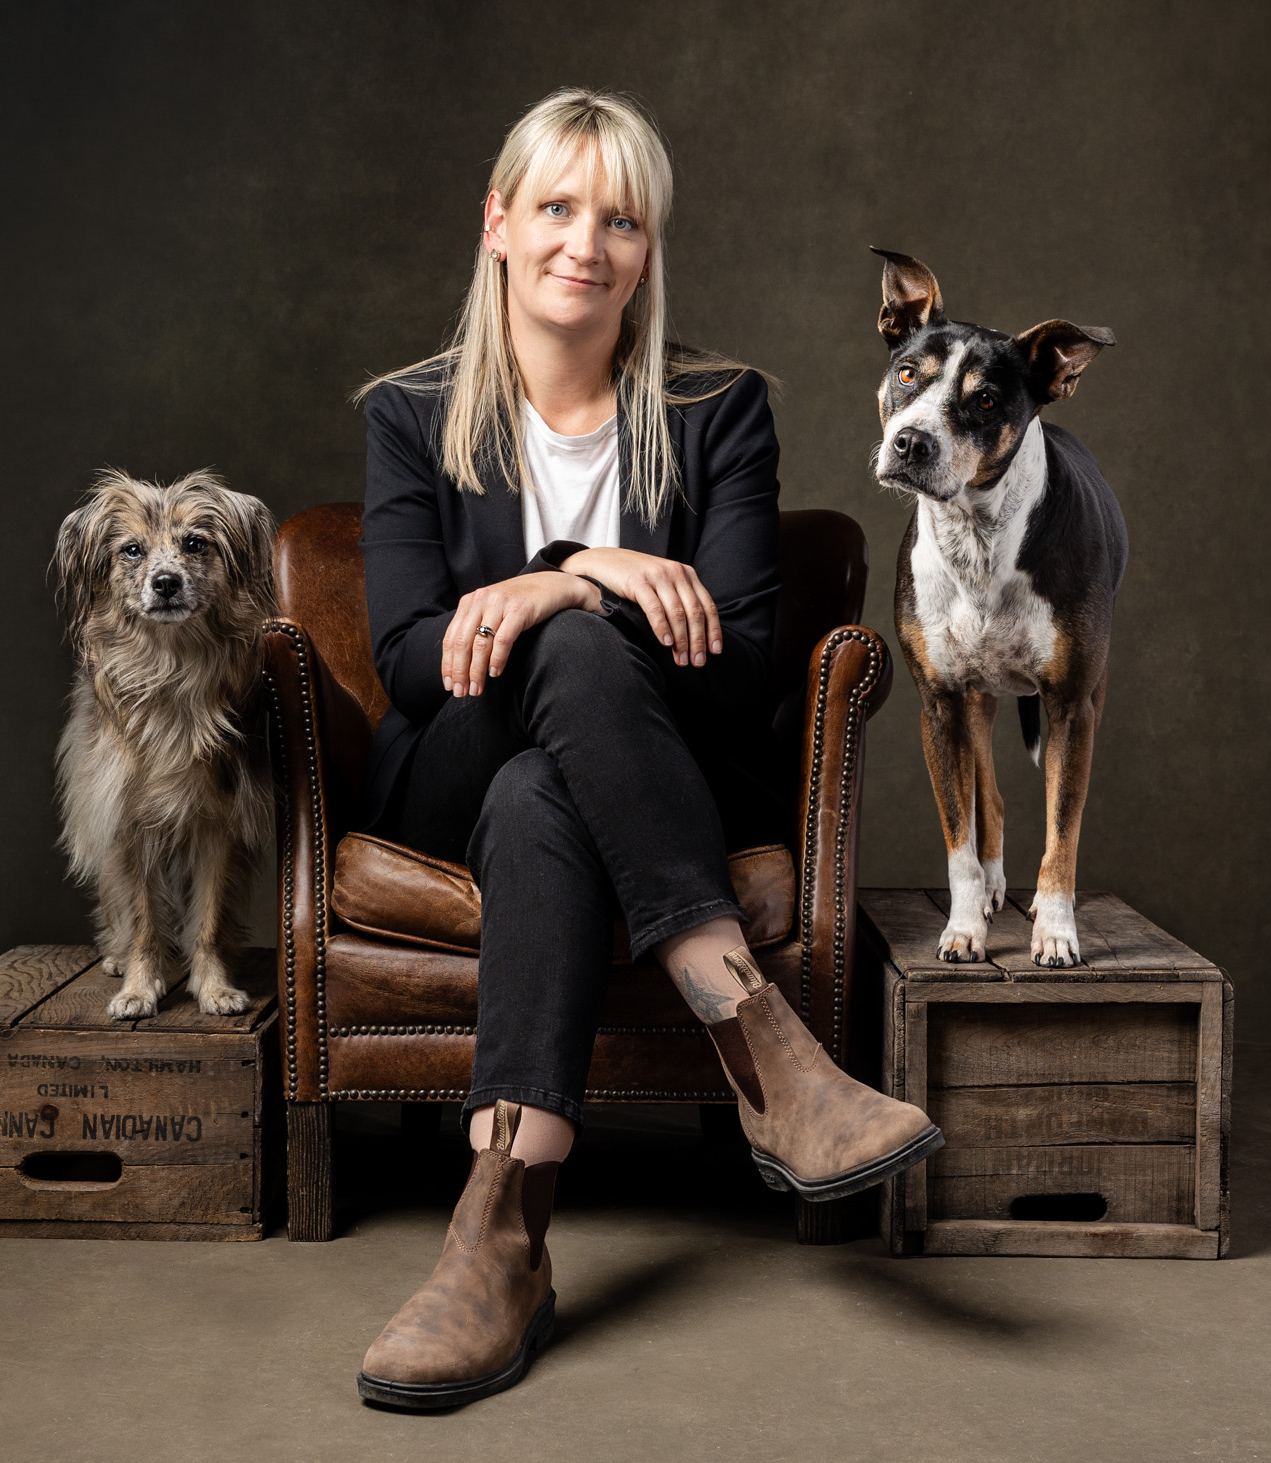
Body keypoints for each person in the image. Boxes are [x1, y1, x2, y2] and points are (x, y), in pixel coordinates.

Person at [351, 88, 941, 1410]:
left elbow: (733, 679)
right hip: (441, 764)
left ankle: (500, 1224)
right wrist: (586, 570)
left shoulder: (723, 409)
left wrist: (563, 584)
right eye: (556, 208)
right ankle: (763, 1049)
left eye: (622, 218)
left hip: (654, 770)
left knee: (541, 790)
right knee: (552, 664)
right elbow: (406, 664)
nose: (587, 242)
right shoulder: (411, 413)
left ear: (650, 249)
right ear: (498, 225)